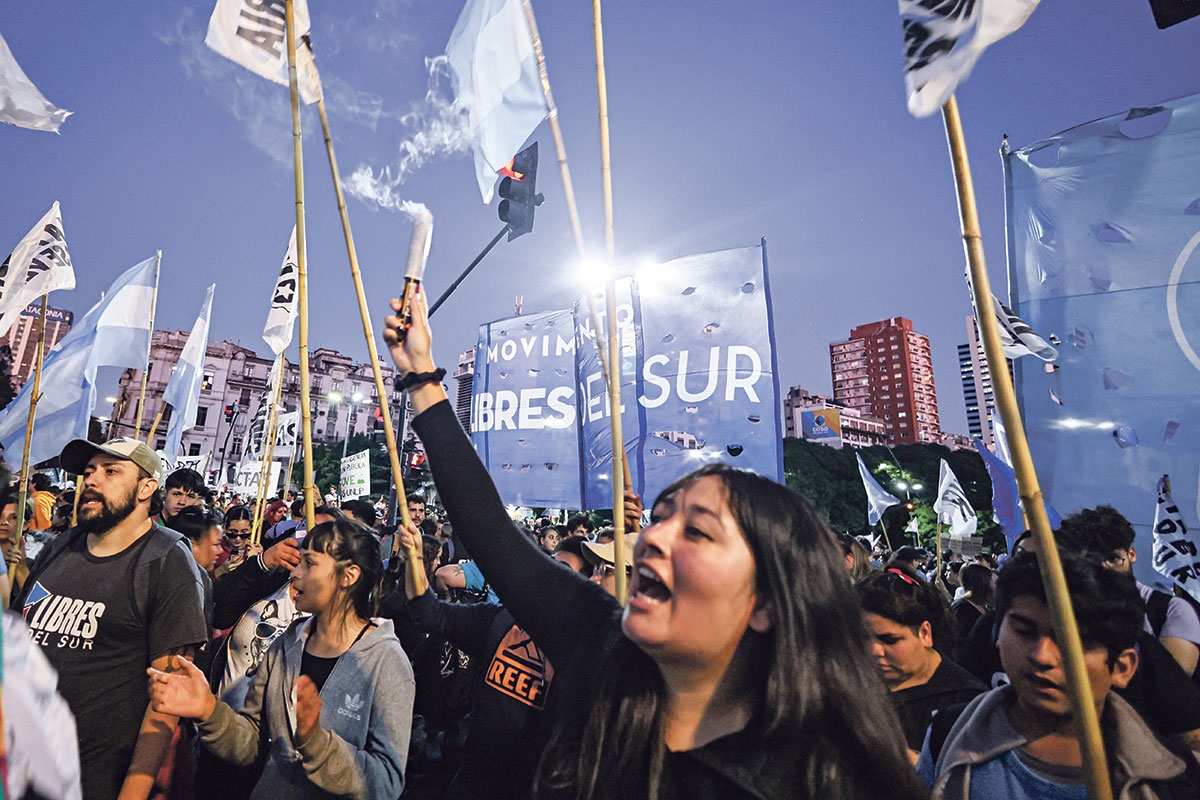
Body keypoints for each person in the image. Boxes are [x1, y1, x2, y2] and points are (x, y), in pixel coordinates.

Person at [382, 289, 926, 800]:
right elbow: (489, 529)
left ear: (765, 600)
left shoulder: (822, 777)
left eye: (697, 530)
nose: (651, 540)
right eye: (660, 518)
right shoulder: (599, 647)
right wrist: (423, 378)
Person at [148, 517, 415, 799]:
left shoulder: (386, 661)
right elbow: (253, 743)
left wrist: (316, 743)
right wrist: (209, 710)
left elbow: (386, 783)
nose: (296, 573)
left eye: (309, 563)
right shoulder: (288, 643)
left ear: (348, 576)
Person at [917, 551, 1200, 798]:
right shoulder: (948, 737)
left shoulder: (1173, 779)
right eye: (1024, 631)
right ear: (997, 635)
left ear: (1122, 667)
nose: (1041, 656)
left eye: (1073, 641)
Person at [18, 437, 209, 800]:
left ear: (146, 488)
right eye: (89, 471)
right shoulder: (62, 545)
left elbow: (166, 699)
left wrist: (132, 794)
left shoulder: (166, 560)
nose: (91, 480)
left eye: (111, 471)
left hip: (88, 782)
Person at [857, 564, 985, 755]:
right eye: (861, 639)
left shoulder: (968, 705)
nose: (874, 651)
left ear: (924, 633)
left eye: (889, 640)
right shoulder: (847, 686)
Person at [1061, 505, 1200, 678]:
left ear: (1131, 554)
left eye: (1112, 558)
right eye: (1093, 562)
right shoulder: (1065, 608)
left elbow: (1172, 683)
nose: (1106, 569)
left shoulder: (1171, 610)